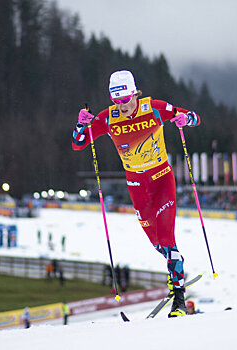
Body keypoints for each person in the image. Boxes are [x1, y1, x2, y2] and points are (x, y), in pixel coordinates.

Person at [72, 70, 201, 317]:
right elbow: (78, 144)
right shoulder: (107, 118)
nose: (122, 106)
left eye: (126, 99)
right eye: (116, 101)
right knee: (156, 243)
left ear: (134, 93)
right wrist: (80, 124)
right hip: (136, 186)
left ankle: (179, 300)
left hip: (162, 180)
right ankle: (175, 263)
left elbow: (194, 117)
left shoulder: (154, 108)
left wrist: (186, 120)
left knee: (167, 237)